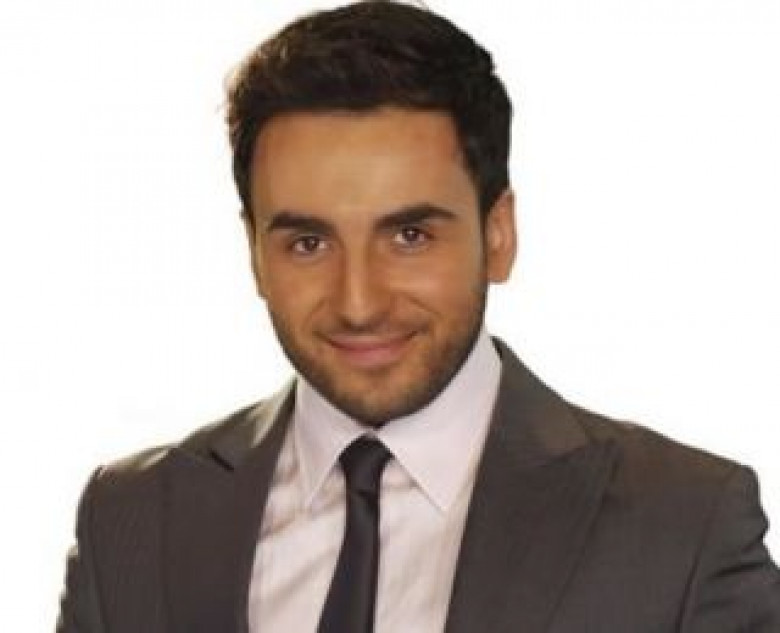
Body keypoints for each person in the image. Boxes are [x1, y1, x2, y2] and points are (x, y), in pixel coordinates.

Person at [56, 1, 779, 631]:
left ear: (499, 234)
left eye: (409, 235)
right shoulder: (130, 520)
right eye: (308, 243)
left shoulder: (686, 527)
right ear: (254, 252)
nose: (359, 303)